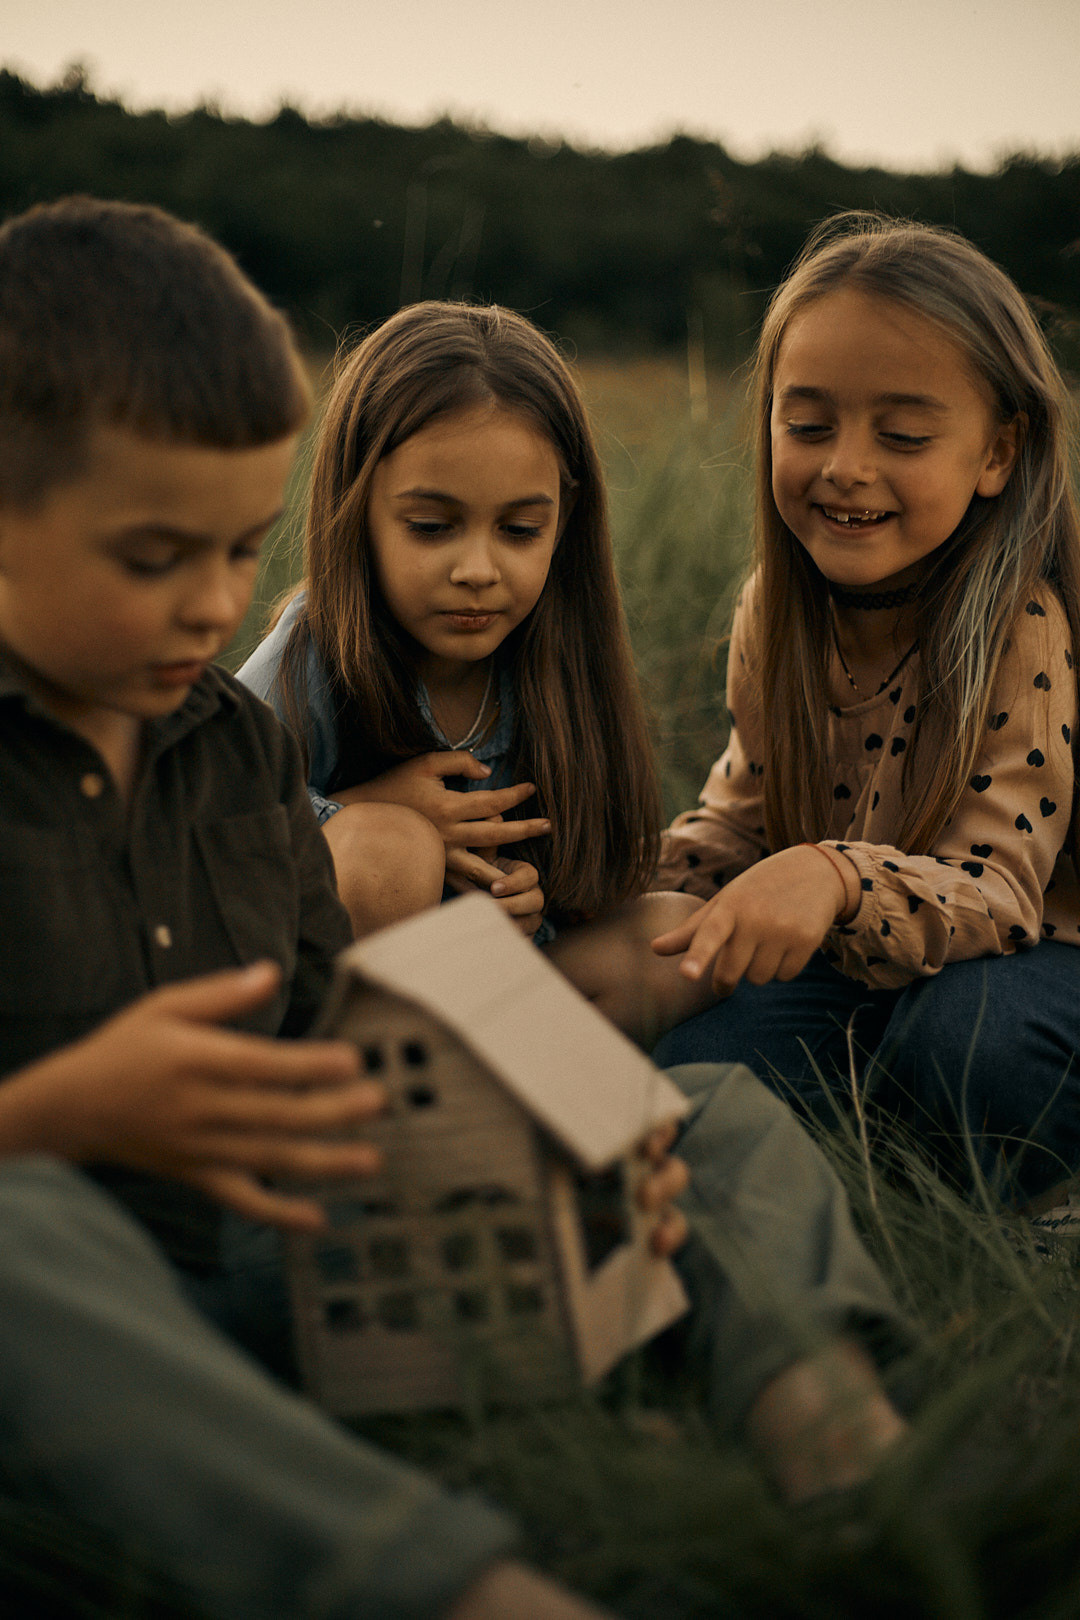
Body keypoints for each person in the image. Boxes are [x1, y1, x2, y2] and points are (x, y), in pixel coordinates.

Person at [0, 196, 911, 1619]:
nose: (214, 608)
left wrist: (527, 1130)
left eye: (240, 553)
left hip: (276, 1246)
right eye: (152, 559)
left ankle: (847, 1465)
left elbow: (331, 1032)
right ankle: (465, 1590)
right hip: (77, 1299)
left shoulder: (225, 748)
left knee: (705, 1115)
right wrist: (57, 1116)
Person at [651, 212, 1080, 1203]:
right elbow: (743, 811)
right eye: (807, 426)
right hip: (862, 966)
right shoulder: (778, 608)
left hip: (1033, 959)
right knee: (695, 1061)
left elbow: (999, 894)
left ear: (997, 453)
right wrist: (642, 888)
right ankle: (863, 1159)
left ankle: (1003, 1191)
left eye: (904, 435)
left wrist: (834, 875)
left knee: (968, 1045)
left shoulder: (1018, 627)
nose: (844, 465)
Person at [236, 303, 711, 1046]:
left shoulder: (557, 657)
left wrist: (528, 905)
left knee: (677, 939)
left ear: (566, 518)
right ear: (357, 509)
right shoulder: (316, 648)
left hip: (482, 996)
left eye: (521, 530)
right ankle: (369, 1122)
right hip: (318, 1002)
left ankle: (510, 1103)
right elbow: (206, 810)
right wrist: (354, 812)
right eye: (431, 527)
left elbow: (584, 874)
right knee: (391, 853)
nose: (478, 571)